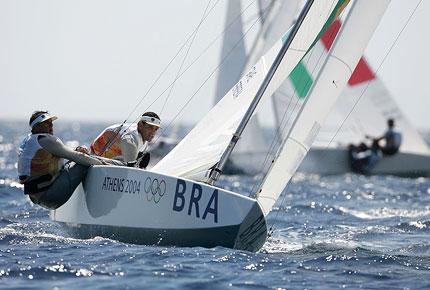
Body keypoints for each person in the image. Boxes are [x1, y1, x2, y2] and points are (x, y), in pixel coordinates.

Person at [17, 110, 123, 209]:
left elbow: (63, 153)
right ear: (37, 126)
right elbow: (80, 158)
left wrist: (76, 150)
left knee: (81, 157)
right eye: (47, 123)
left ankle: (115, 163)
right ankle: (119, 167)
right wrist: (112, 165)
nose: (51, 126)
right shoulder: (45, 139)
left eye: (51, 123)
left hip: (37, 197)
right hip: (50, 195)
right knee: (83, 163)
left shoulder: (30, 140)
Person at [90, 112, 161, 168]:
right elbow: (130, 163)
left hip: (109, 162)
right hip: (94, 159)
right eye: (150, 127)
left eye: (156, 129)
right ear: (140, 125)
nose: (153, 132)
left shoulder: (144, 139)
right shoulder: (131, 135)